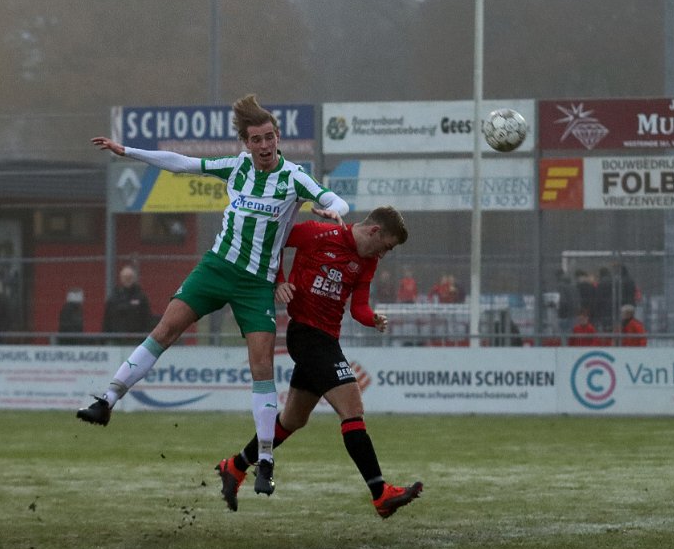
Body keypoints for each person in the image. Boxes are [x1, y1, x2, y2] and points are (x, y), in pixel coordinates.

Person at [78, 94, 350, 495]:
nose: (264, 145)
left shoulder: (294, 177)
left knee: (261, 366)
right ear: (246, 143)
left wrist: (332, 210)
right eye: (256, 139)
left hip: (256, 283)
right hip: (217, 268)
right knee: (165, 330)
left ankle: (265, 460)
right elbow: (182, 163)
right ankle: (107, 400)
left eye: (269, 137)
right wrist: (128, 152)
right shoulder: (238, 167)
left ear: (278, 137)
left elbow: (335, 199)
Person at [215, 206, 421, 517]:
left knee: (292, 419)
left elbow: (359, 308)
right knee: (352, 408)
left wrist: (372, 318)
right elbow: (272, 240)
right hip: (305, 335)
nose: (383, 255)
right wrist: (279, 281)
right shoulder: (317, 233)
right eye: (386, 247)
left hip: (326, 340)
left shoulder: (367, 262)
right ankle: (380, 493)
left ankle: (235, 466)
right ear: (374, 231)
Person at [102, 264, 153, 344]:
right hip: (116, 340)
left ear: (134, 278)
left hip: (136, 340)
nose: (127, 279)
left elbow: (147, 319)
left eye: (130, 277)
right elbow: (107, 319)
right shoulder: (114, 297)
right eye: (125, 277)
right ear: (121, 278)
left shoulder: (141, 297)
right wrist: (104, 339)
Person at [554, 269, 579, 336]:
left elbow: (562, 301)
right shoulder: (573, 286)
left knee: (563, 336)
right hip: (574, 314)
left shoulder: (560, 286)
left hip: (564, 315)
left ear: (557, 276)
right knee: (573, 335)